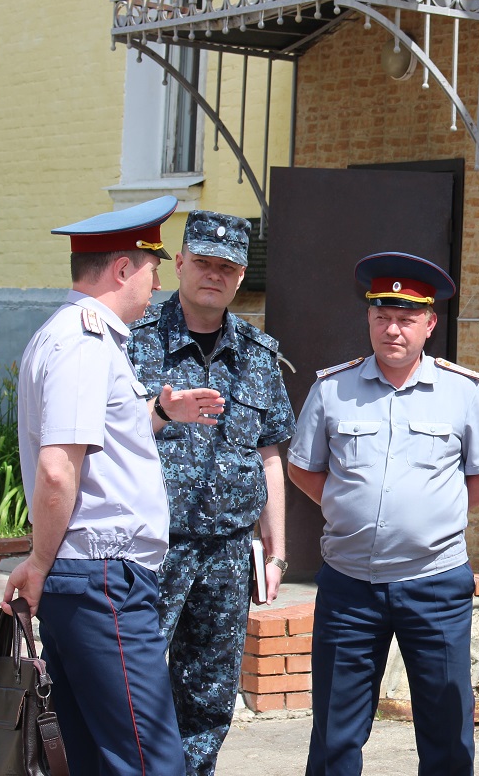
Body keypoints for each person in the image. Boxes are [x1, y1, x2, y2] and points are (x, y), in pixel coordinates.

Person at [5, 195, 225, 774]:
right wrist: (38, 561)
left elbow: (100, 436)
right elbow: (58, 469)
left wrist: (159, 413)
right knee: (150, 759)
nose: (157, 284)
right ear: (123, 268)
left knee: (94, 756)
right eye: (153, 268)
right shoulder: (83, 343)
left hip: (92, 576)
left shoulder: (82, 339)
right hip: (102, 577)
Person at [287, 251, 479, 776]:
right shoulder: (332, 389)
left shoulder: (462, 391)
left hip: (434, 584)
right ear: (368, 318)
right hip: (349, 586)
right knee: (335, 734)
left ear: (429, 324)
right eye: (382, 316)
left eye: (406, 319)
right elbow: (303, 469)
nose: (392, 330)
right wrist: (348, 507)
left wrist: (436, 515)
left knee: (447, 729)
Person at [128, 210, 296, 775]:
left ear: (241, 276)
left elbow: (270, 453)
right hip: (149, 547)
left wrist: (275, 552)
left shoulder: (258, 353)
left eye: (226, 267)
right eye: (202, 262)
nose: (213, 275)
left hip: (226, 552)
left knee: (208, 692)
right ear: (178, 264)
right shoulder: (135, 343)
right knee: (132, 684)